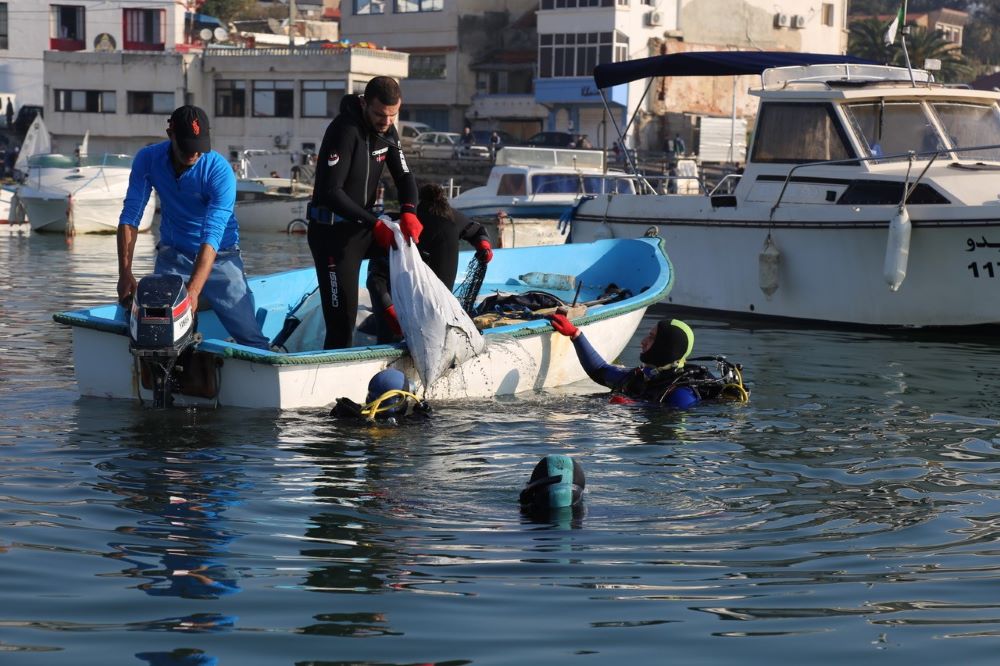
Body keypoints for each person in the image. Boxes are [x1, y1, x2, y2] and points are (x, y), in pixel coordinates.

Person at [117, 105, 270, 350]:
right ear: (171, 135)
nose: (193, 154)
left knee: (249, 336)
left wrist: (194, 291)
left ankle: (256, 350)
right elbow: (130, 217)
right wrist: (125, 272)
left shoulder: (219, 172)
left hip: (220, 256)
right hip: (173, 256)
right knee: (153, 330)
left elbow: (212, 235)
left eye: (199, 148)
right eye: (186, 147)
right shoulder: (148, 159)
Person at [307, 75, 420, 349]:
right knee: (341, 325)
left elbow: (404, 176)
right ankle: (332, 385)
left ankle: (390, 336)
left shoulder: (388, 132)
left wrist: (409, 212)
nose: (386, 121)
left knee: (416, 247)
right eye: (380, 114)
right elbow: (330, 192)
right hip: (333, 237)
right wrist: (375, 224)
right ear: (364, 103)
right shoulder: (344, 131)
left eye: (393, 115)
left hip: (363, 229)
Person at [366, 182, 493, 343]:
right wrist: (389, 310)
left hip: (431, 301)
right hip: (415, 300)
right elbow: (375, 278)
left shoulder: (449, 219)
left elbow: (375, 278)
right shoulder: (402, 226)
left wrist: (484, 245)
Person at [548, 314, 749, 407]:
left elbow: (668, 422)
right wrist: (575, 334)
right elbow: (600, 370)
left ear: (666, 346)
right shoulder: (640, 377)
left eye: (652, 337)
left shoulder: (681, 395)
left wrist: (632, 405)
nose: (643, 342)